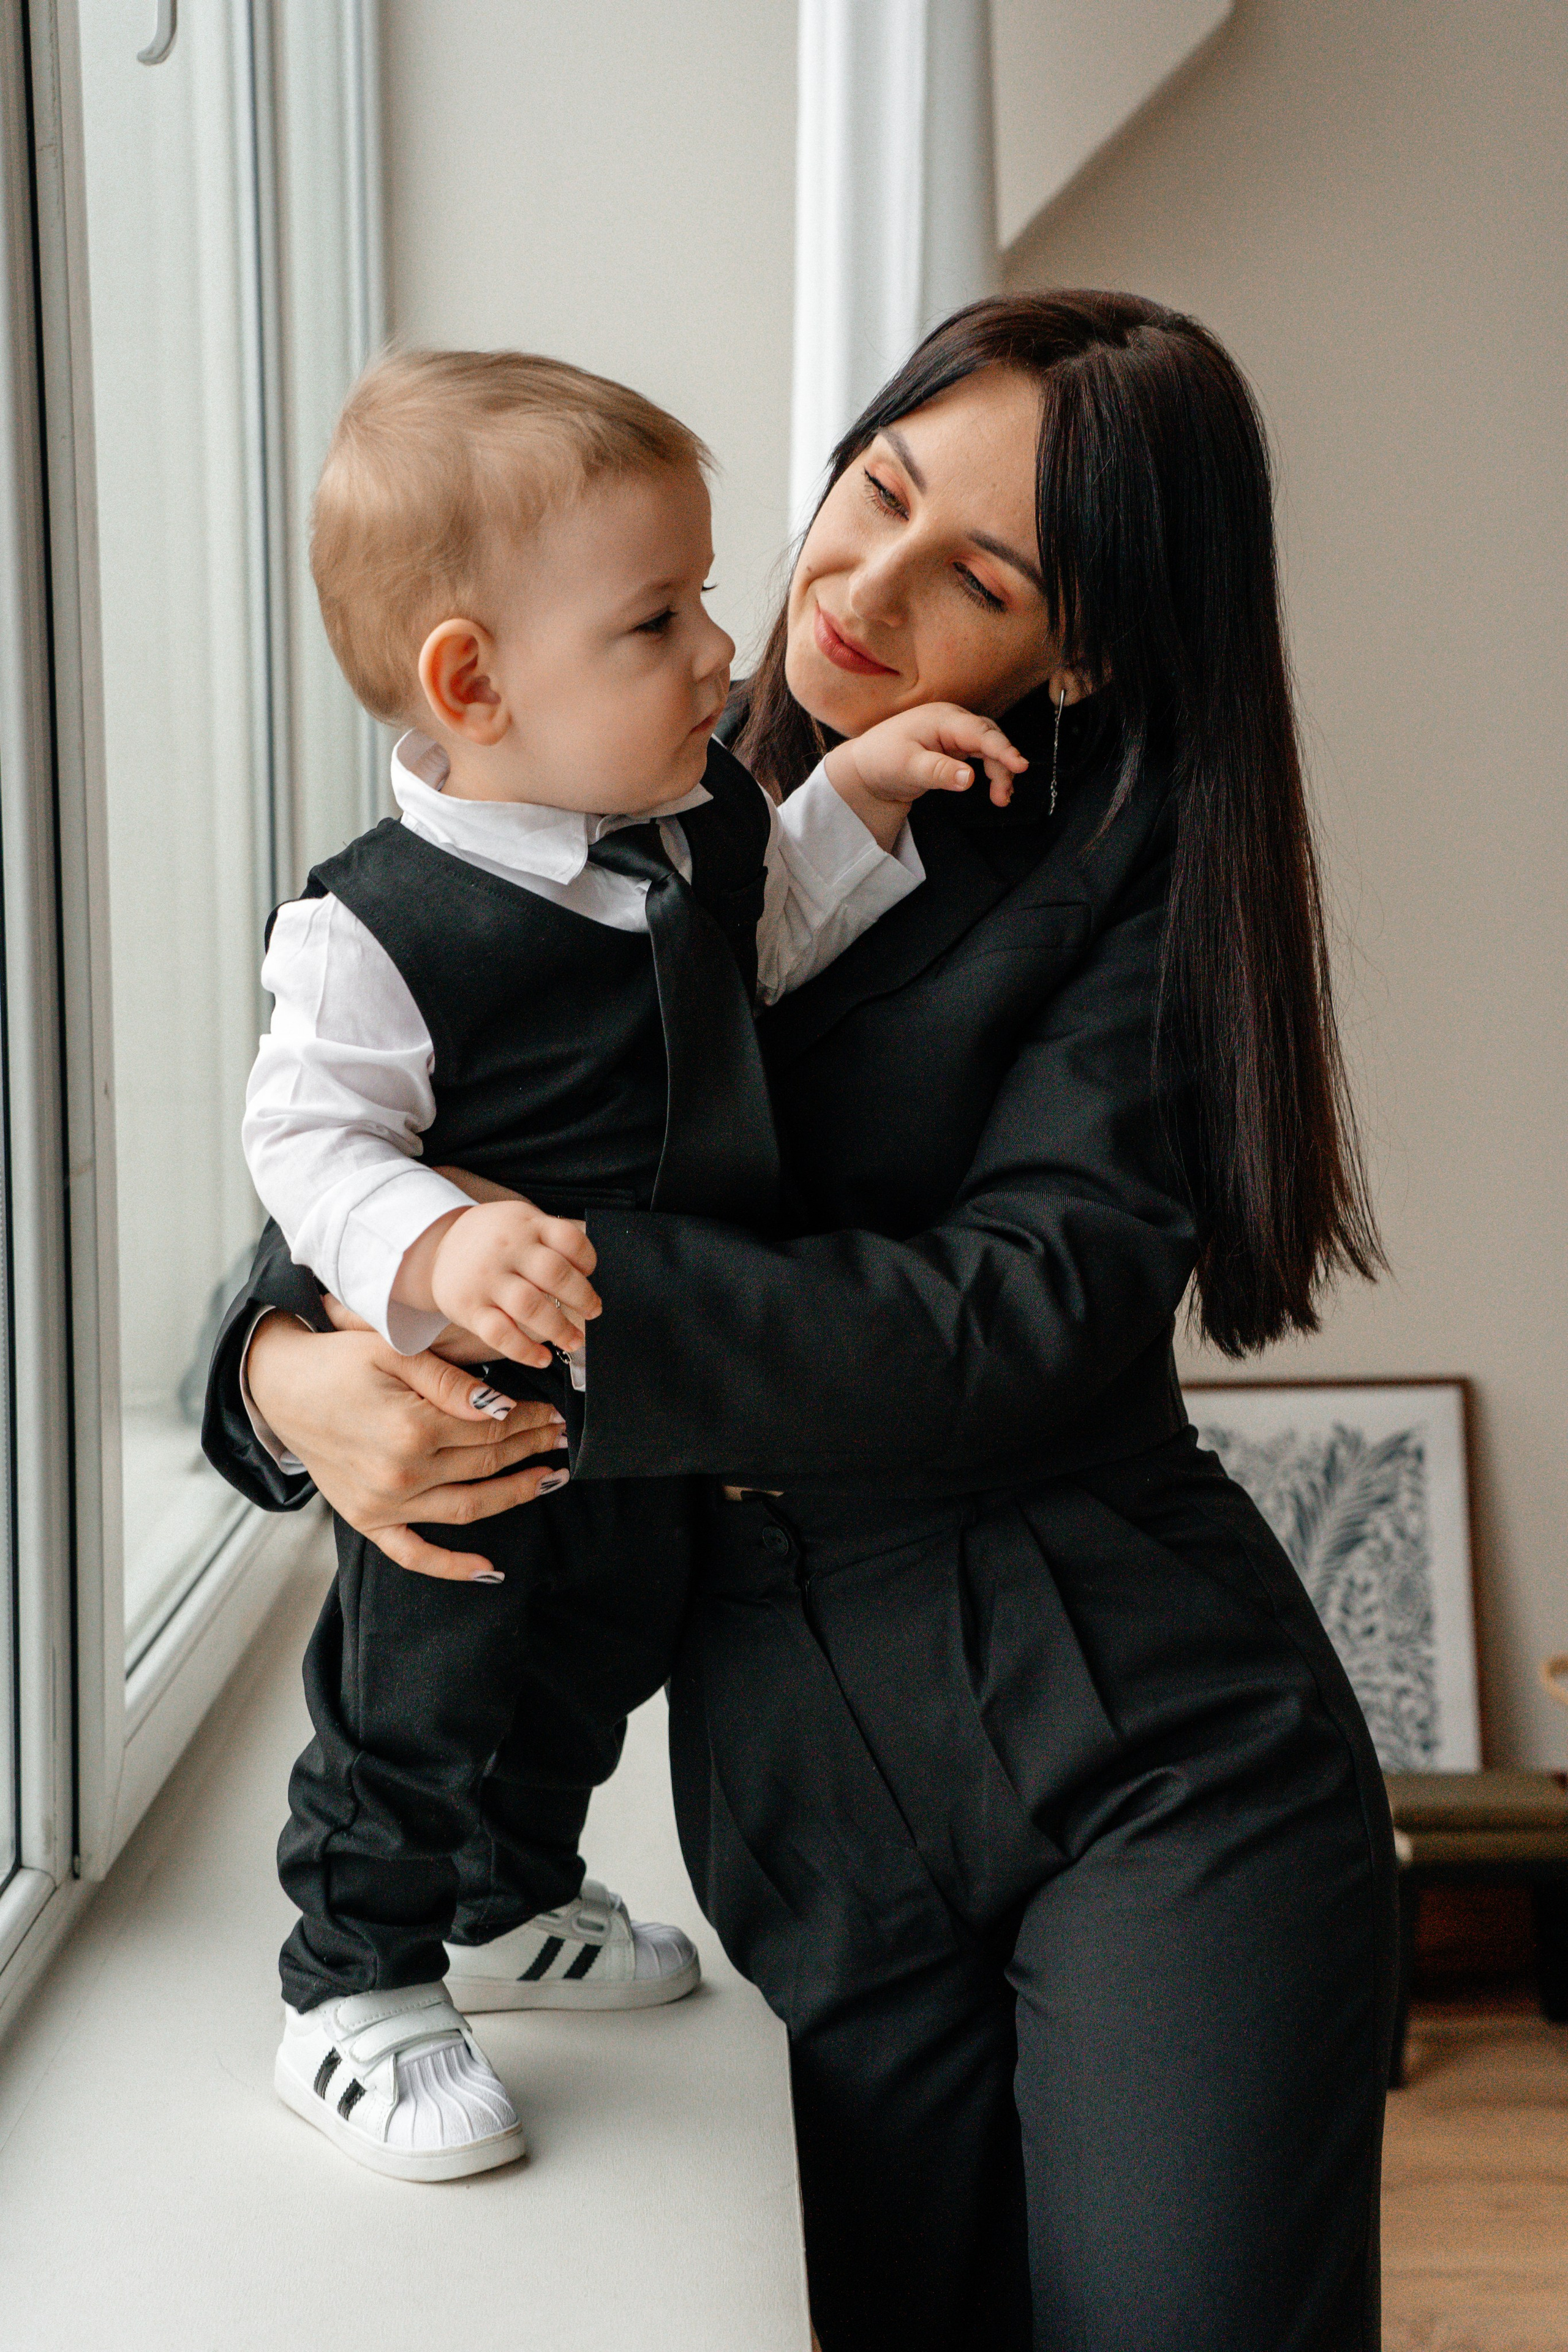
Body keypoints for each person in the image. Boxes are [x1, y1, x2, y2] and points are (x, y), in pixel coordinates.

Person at [208, 294, 1396, 2345]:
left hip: (1137, 1745)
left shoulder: (1104, 875)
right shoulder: (595, 793)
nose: (862, 581)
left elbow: (1024, 1309)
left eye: (982, 578)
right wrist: (284, 1369)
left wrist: (540, 1314)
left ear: (1079, 651)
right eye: (880, 486)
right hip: (799, 1803)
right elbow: (357, 1163)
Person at [238, 347, 1027, 2184]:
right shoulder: (374, 927)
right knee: (423, 1690)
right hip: (466, 1416)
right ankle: (351, 1984)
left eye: (705, 598)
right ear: (473, 683)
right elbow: (308, 1145)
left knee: (596, 1658)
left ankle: (509, 1904)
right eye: (658, 622)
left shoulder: (694, 825)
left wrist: (860, 801)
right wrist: (440, 1239)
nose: (722, 652)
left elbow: (758, 956)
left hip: (644, 1403)